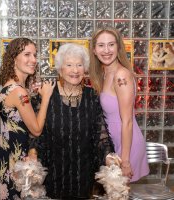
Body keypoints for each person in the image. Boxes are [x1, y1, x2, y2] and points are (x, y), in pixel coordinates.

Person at [31, 43, 115, 199]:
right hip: (53, 173)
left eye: (79, 65)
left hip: (83, 174)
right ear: (60, 69)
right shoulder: (47, 94)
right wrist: (33, 152)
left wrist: (109, 156)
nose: (75, 70)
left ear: (85, 69)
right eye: (69, 65)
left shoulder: (92, 96)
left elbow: (100, 134)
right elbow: (36, 132)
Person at [0, 38, 55, 200]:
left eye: (35, 55)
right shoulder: (19, 92)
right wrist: (46, 97)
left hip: (8, 162)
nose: (33, 60)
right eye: (27, 54)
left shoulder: (8, 86)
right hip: (18, 167)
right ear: (14, 58)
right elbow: (36, 129)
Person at [89, 27, 149, 183]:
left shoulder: (121, 75)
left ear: (118, 47)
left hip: (126, 145)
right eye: (101, 45)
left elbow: (127, 121)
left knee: (118, 194)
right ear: (94, 50)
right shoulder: (104, 73)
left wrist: (126, 160)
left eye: (111, 44)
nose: (106, 50)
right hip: (113, 142)